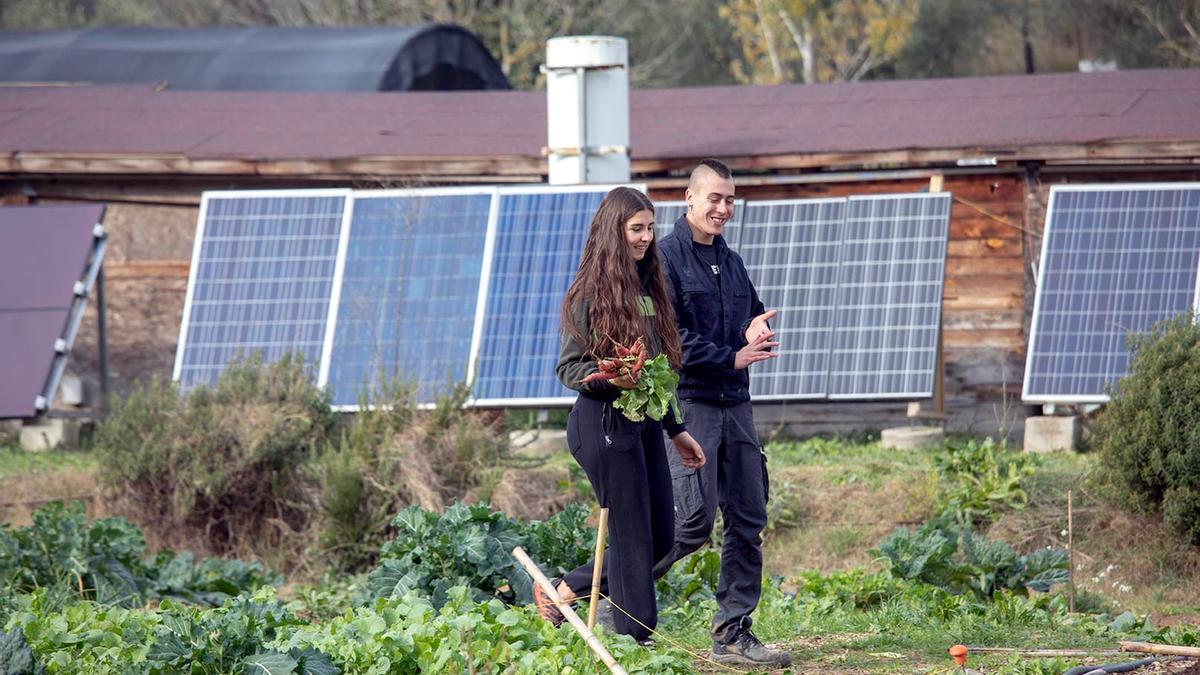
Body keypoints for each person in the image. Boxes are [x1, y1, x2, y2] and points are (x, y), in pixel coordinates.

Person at [539, 186, 706, 644]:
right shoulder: (588, 294)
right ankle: (639, 639)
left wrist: (677, 430)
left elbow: (657, 372)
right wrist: (611, 377)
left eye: (650, 228)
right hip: (603, 427)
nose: (646, 238)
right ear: (614, 232)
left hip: (646, 424)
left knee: (662, 537)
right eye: (637, 229)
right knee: (633, 536)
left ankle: (566, 587)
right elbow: (569, 369)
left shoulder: (648, 289)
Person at [657, 158, 791, 667]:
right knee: (691, 523)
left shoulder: (731, 262)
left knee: (748, 518)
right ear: (689, 197)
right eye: (714, 198)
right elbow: (670, 338)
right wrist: (729, 354)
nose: (723, 208)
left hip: (736, 403)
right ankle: (612, 599)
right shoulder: (665, 259)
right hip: (692, 402)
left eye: (730, 200)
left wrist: (752, 332)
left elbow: (747, 317)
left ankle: (733, 633)